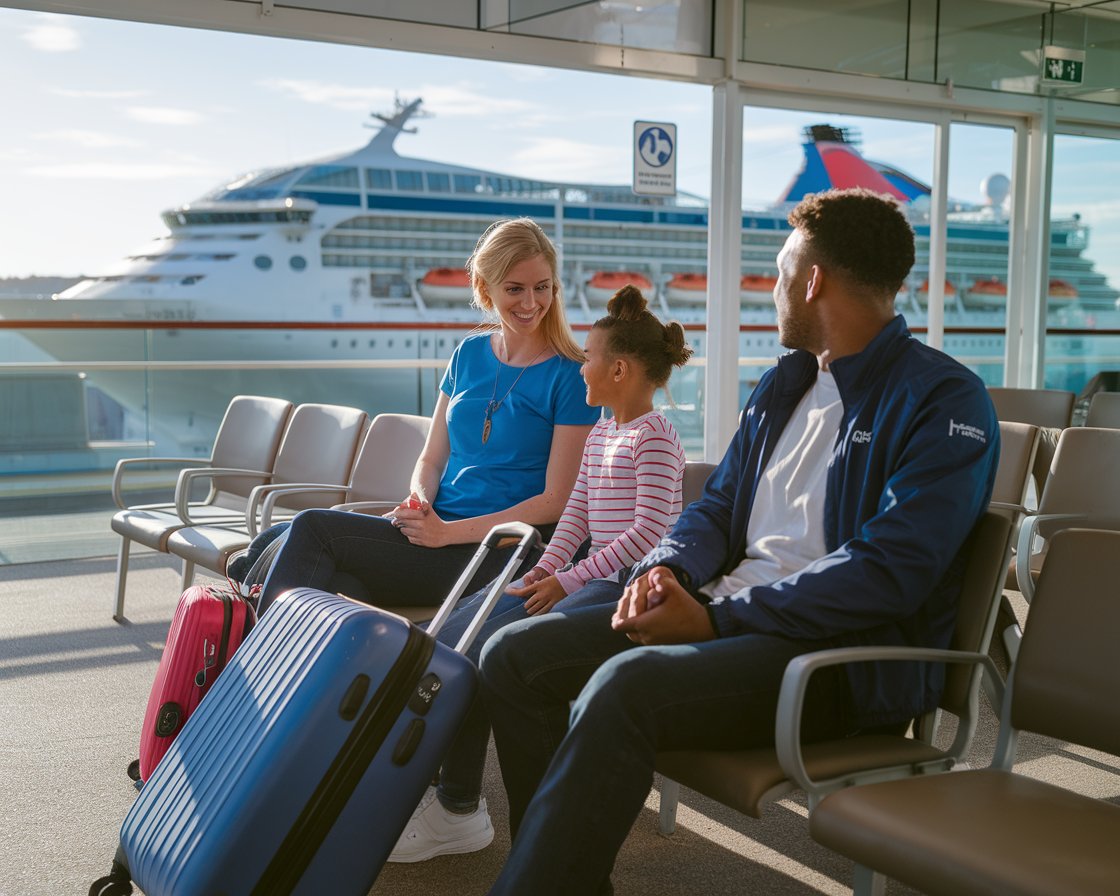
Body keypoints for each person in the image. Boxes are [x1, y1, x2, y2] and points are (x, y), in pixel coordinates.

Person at [478, 188, 1001, 895]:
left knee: (624, 686)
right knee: (513, 655)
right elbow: (717, 508)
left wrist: (719, 618)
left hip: (831, 659)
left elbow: (889, 571)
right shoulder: (782, 386)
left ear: (812, 281)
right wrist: (665, 572)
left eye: (781, 274)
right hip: (729, 619)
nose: (773, 291)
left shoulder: (944, 400)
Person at [388, 284, 693, 863]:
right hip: (586, 574)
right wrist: (542, 572)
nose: (580, 371)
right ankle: (434, 790)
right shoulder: (603, 433)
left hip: (622, 586)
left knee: (496, 648)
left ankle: (458, 802)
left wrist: (569, 580)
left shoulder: (655, 437)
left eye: (590, 361)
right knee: (457, 632)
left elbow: (650, 534)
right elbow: (574, 517)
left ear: (621, 370)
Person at [256, 218, 600, 613]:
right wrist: (419, 500)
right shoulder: (468, 354)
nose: (530, 302)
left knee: (312, 529)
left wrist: (445, 534)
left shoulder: (571, 374)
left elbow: (556, 502)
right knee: (294, 555)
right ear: (484, 289)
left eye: (541, 288)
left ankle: (245, 661)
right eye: (515, 289)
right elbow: (432, 458)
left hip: (495, 550)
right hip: (436, 532)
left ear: (554, 288)